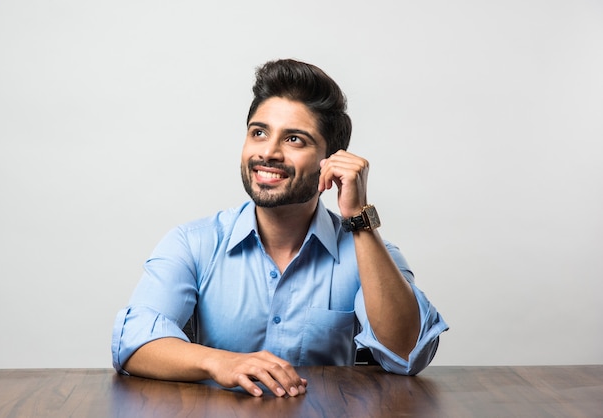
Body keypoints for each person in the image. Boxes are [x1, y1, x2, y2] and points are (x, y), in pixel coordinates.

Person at [111, 58, 448, 398]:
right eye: (259, 133)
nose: (268, 153)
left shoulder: (371, 255)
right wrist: (222, 363)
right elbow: (134, 341)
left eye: (295, 140)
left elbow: (407, 354)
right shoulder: (193, 243)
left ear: (331, 161)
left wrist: (359, 217)